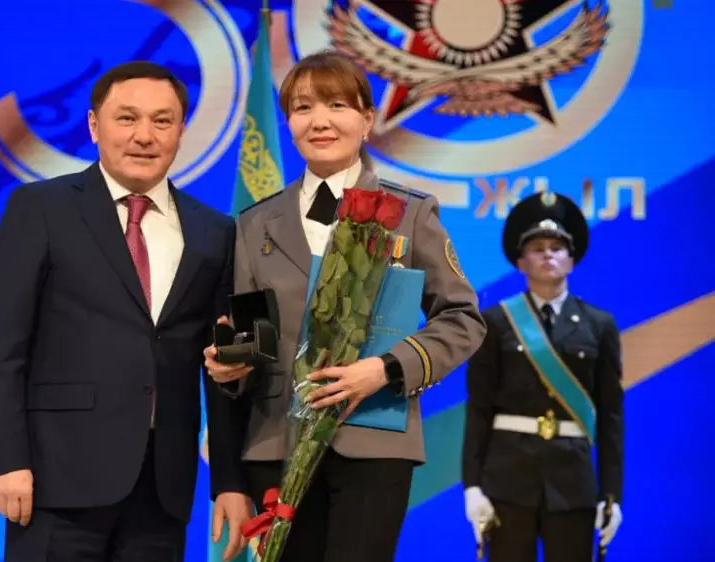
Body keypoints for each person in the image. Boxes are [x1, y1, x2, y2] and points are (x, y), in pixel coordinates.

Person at [203, 51, 486, 562]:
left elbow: (463, 319)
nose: (320, 121)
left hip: (374, 437)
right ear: (289, 124)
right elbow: (252, 339)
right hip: (276, 445)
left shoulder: (409, 213)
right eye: (303, 107)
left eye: (336, 105)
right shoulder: (253, 224)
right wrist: (232, 367)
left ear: (367, 119)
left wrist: (386, 369)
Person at [0, 60, 236, 561]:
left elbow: (221, 366)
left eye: (162, 121)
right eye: (127, 118)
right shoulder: (41, 208)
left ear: (181, 130)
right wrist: (5, 460)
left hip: (163, 489)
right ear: (95, 125)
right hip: (55, 479)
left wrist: (229, 480)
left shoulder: (214, 231)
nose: (144, 136)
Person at [461, 191, 623, 562]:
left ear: (572, 260)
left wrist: (611, 495)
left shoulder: (600, 325)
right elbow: (479, 408)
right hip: (507, 479)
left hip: (572, 483)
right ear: (520, 261)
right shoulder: (496, 322)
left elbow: (611, 416)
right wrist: (472, 486)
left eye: (557, 248)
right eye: (537, 248)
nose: (548, 255)